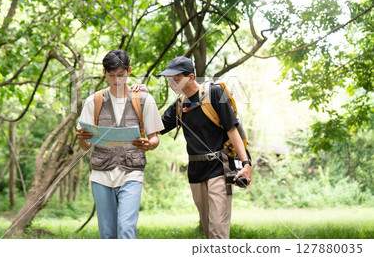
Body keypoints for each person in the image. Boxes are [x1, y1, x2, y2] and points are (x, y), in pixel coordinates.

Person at [137, 56, 251, 239]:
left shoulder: (215, 93)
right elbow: (154, 127)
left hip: (219, 168)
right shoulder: (180, 105)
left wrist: (246, 164)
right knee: (207, 229)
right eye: (169, 80)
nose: (172, 84)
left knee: (218, 231)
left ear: (190, 77)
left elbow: (232, 129)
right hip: (196, 172)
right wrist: (143, 99)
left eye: (176, 79)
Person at [76, 49, 164, 239]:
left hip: (132, 172)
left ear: (129, 71)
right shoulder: (94, 101)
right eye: (111, 75)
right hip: (101, 175)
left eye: (121, 75)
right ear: (104, 72)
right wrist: (82, 138)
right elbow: (85, 147)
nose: (117, 81)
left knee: (126, 228)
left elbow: (155, 137)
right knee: (108, 234)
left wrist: (148, 145)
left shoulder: (144, 99)